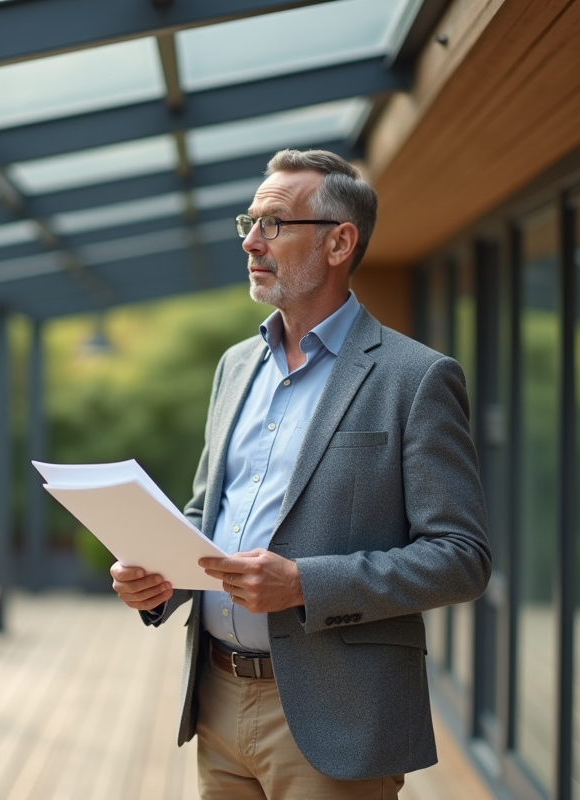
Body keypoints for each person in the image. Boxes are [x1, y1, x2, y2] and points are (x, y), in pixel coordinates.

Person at [110, 149, 492, 799]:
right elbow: (209, 510)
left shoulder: (416, 378)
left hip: (337, 714)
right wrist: (159, 577)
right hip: (216, 700)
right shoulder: (235, 366)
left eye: (275, 224)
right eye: (249, 223)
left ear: (341, 242)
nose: (252, 242)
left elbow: (461, 558)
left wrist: (304, 585)